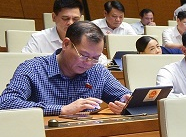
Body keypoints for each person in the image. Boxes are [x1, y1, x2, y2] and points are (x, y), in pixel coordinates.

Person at [0, 21, 131, 115]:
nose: (89, 63)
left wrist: (126, 104)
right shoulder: (32, 69)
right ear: (66, 44)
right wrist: (62, 109)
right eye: (84, 55)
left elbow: (126, 96)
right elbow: (6, 102)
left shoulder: (97, 71)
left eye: (95, 58)